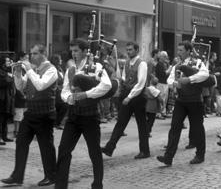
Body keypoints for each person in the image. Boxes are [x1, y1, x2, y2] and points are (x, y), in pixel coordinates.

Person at [55, 39, 111, 189]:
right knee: (63, 150)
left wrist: (86, 94)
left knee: (94, 152)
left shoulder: (96, 66)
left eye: (76, 51)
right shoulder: (71, 69)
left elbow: (107, 85)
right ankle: (60, 186)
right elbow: (65, 90)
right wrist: (69, 98)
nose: (73, 54)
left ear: (85, 51)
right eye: (72, 51)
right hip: (73, 115)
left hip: (90, 116)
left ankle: (97, 184)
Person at [1, 44, 57, 186]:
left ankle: (51, 176)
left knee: (46, 146)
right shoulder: (33, 69)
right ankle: (17, 176)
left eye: (35, 54)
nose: (31, 56)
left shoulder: (51, 70)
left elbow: (40, 85)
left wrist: (29, 69)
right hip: (31, 112)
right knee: (21, 142)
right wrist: (18, 73)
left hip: (45, 114)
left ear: (44, 54)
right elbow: (20, 87)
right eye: (31, 54)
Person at [157, 40, 209, 166]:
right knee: (174, 127)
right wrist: (175, 84)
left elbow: (205, 75)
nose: (178, 52)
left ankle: (200, 155)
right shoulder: (177, 65)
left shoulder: (198, 63)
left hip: (195, 100)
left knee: (197, 129)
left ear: (188, 51)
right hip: (181, 100)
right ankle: (168, 157)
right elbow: (170, 80)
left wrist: (189, 79)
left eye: (181, 50)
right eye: (178, 49)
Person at [101, 42, 150, 159]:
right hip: (127, 94)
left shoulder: (142, 64)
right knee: (120, 122)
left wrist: (130, 97)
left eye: (130, 50)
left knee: (141, 125)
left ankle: (145, 151)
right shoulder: (127, 63)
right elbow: (124, 76)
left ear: (137, 50)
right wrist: (121, 80)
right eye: (127, 50)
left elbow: (141, 83)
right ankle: (109, 148)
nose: (128, 52)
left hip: (138, 97)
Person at [0, 55, 15, 145]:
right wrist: (11, 75)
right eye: (7, 61)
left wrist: (11, 72)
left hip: (7, 97)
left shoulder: (7, 71)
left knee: (5, 117)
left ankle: (4, 136)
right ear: (2, 63)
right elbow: (6, 81)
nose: (9, 63)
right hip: (0, 98)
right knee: (0, 118)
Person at [13, 51, 29, 137]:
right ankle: (17, 131)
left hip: (24, 94)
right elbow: (18, 82)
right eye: (26, 58)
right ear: (21, 58)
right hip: (19, 94)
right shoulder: (19, 67)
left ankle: (20, 131)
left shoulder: (25, 68)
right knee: (18, 114)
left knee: (22, 114)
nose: (28, 60)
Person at [50, 54, 67, 130]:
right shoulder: (52, 69)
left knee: (63, 106)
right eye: (60, 59)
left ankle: (57, 123)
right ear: (56, 60)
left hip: (61, 90)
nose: (61, 60)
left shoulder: (60, 68)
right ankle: (56, 123)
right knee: (63, 106)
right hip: (56, 91)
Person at [155, 51, 172, 118]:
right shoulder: (159, 64)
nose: (166, 58)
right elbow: (164, 74)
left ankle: (163, 112)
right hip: (161, 83)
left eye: (166, 56)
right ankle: (159, 113)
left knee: (165, 99)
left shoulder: (163, 64)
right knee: (161, 98)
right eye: (164, 56)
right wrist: (170, 68)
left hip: (165, 83)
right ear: (161, 57)